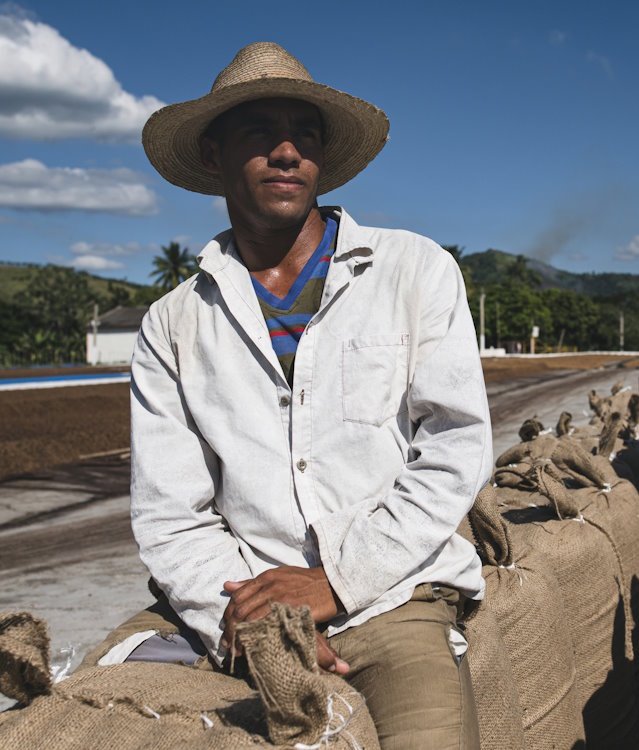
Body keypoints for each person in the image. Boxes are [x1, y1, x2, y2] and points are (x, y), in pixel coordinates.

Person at [125, 42, 491, 749]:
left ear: (323, 157)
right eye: (259, 130)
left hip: (391, 596)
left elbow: (454, 451)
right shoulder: (172, 322)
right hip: (242, 602)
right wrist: (257, 618)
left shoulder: (413, 271)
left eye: (305, 133)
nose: (286, 150)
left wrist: (336, 582)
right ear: (213, 154)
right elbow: (171, 514)